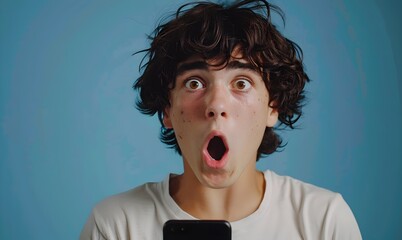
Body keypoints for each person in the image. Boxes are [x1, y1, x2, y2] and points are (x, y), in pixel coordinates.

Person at [80, 0, 362, 239]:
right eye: (194, 83)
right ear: (167, 110)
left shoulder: (324, 220)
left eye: (241, 83)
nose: (216, 104)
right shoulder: (115, 225)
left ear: (272, 107)